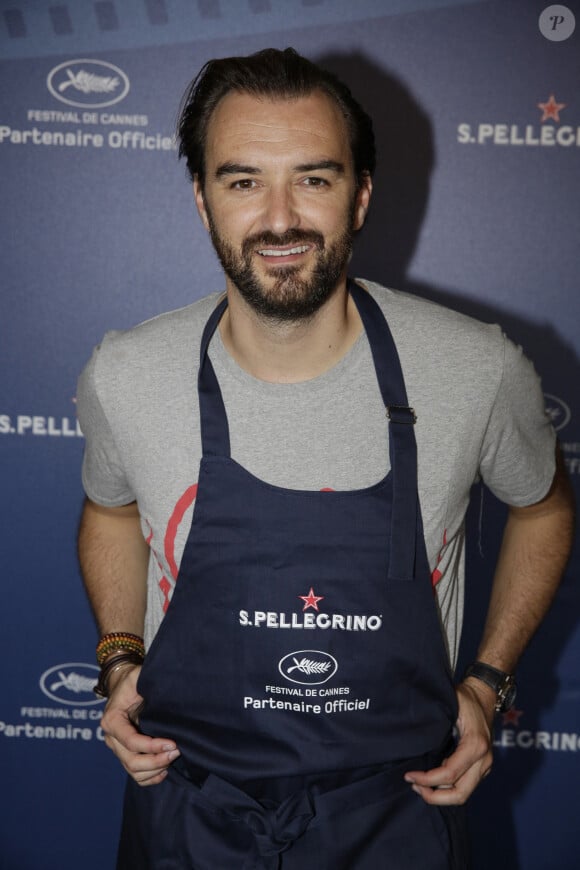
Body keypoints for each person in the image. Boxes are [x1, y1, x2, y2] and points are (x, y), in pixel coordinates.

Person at [77, 48, 574, 869]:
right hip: (189, 816)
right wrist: (119, 656)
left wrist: (487, 684)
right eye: (243, 181)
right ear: (202, 201)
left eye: (313, 178)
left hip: (397, 817)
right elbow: (109, 508)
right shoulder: (127, 372)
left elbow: (545, 507)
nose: (280, 219)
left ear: (361, 194)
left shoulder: (475, 368)